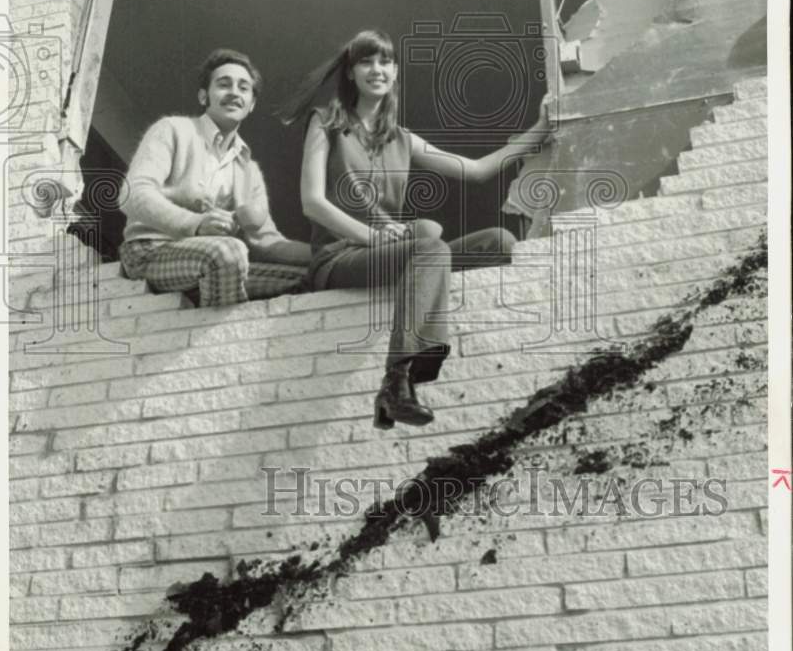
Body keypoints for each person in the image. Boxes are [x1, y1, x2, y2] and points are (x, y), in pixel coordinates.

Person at [280, 29, 553, 430]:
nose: (377, 69)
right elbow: (313, 203)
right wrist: (373, 235)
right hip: (339, 256)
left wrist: (541, 129)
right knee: (430, 247)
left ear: (395, 73)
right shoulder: (326, 122)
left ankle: (402, 379)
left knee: (499, 242)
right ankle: (397, 380)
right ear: (351, 73)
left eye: (386, 61)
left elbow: (474, 170)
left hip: (389, 251)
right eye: (366, 61)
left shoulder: (402, 139)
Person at [119, 48, 310, 306]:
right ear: (203, 96)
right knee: (227, 251)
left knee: (311, 277)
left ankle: (205, 309)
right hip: (151, 251)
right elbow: (134, 194)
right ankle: (219, 341)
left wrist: (327, 252)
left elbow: (266, 241)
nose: (234, 92)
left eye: (244, 88)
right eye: (223, 84)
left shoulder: (249, 169)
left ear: (252, 104)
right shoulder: (173, 129)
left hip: (219, 265)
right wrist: (197, 224)